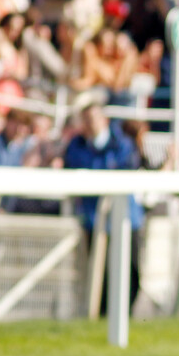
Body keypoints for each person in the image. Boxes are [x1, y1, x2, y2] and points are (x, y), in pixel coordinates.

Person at [63, 104, 144, 313]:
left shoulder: (123, 144)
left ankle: (126, 316)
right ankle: (101, 317)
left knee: (131, 272)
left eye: (94, 118)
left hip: (126, 219)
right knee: (98, 275)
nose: (90, 124)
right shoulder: (77, 146)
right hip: (93, 220)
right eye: (86, 119)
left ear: (104, 120)